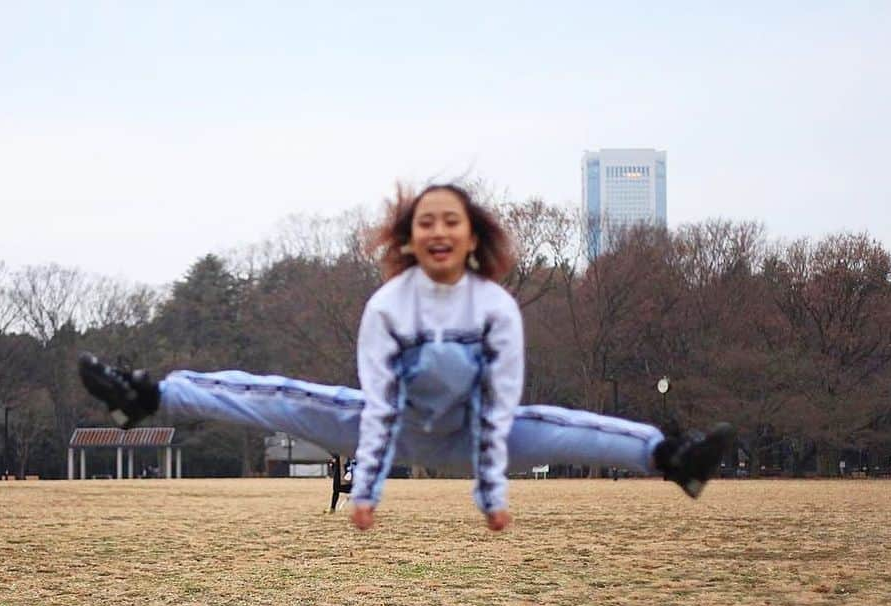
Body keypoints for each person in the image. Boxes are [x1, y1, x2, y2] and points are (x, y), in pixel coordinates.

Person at [79, 183, 733, 531]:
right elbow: (381, 404)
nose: (440, 230)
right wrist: (367, 489)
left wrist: (491, 493)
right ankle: (150, 395)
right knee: (279, 395)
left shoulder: (496, 308)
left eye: (452, 220)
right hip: (392, 428)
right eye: (427, 221)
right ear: (411, 237)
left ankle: (671, 457)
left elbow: (504, 407)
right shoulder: (390, 304)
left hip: (478, 433)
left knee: (564, 424)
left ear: (472, 234)